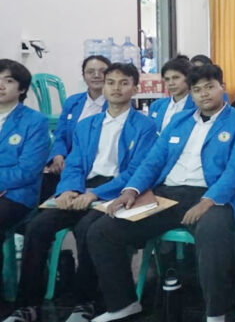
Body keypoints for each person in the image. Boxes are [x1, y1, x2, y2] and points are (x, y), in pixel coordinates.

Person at [88, 64, 235, 322]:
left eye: (210, 87)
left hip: (214, 196)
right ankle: (123, 304)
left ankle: (217, 313)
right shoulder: (179, 121)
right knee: (101, 231)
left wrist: (207, 201)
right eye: (197, 90)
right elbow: (153, 161)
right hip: (168, 195)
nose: (203, 94)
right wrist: (131, 190)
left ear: (222, 87)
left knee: (212, 233)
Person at [6, 63, 158, 322]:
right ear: (104, 86)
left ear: (135, 88)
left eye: (124, 83)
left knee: (88, 228)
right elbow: (75, 162)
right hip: (81, 186)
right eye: (111, 82)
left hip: (117, 190)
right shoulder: (87, 124)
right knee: (37, 227)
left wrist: (96, 194)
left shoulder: (145, 126)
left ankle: (85, 302)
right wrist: (68, 190)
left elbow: (136, 170)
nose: (116, 88)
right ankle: (27, 305)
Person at [0, 60, 52, 285]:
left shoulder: (35, 121)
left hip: (17, 195)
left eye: (8, 80)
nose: (1, 85)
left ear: (21, 89)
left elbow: (27, 171)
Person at [48, 56, 111, 198]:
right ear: (83, 76)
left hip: (98, 164)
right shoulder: (72, 102)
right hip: (70, 163)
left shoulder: (115, 104)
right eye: (90, 72)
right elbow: (60, 134)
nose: (96, 75)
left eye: (102, 71)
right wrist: (58, 155)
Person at [148, 58, 194, 134]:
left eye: (176, 78)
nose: (171, 83)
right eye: (167, 79)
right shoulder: (157, 105)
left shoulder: (197, 106)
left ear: (188, 78)